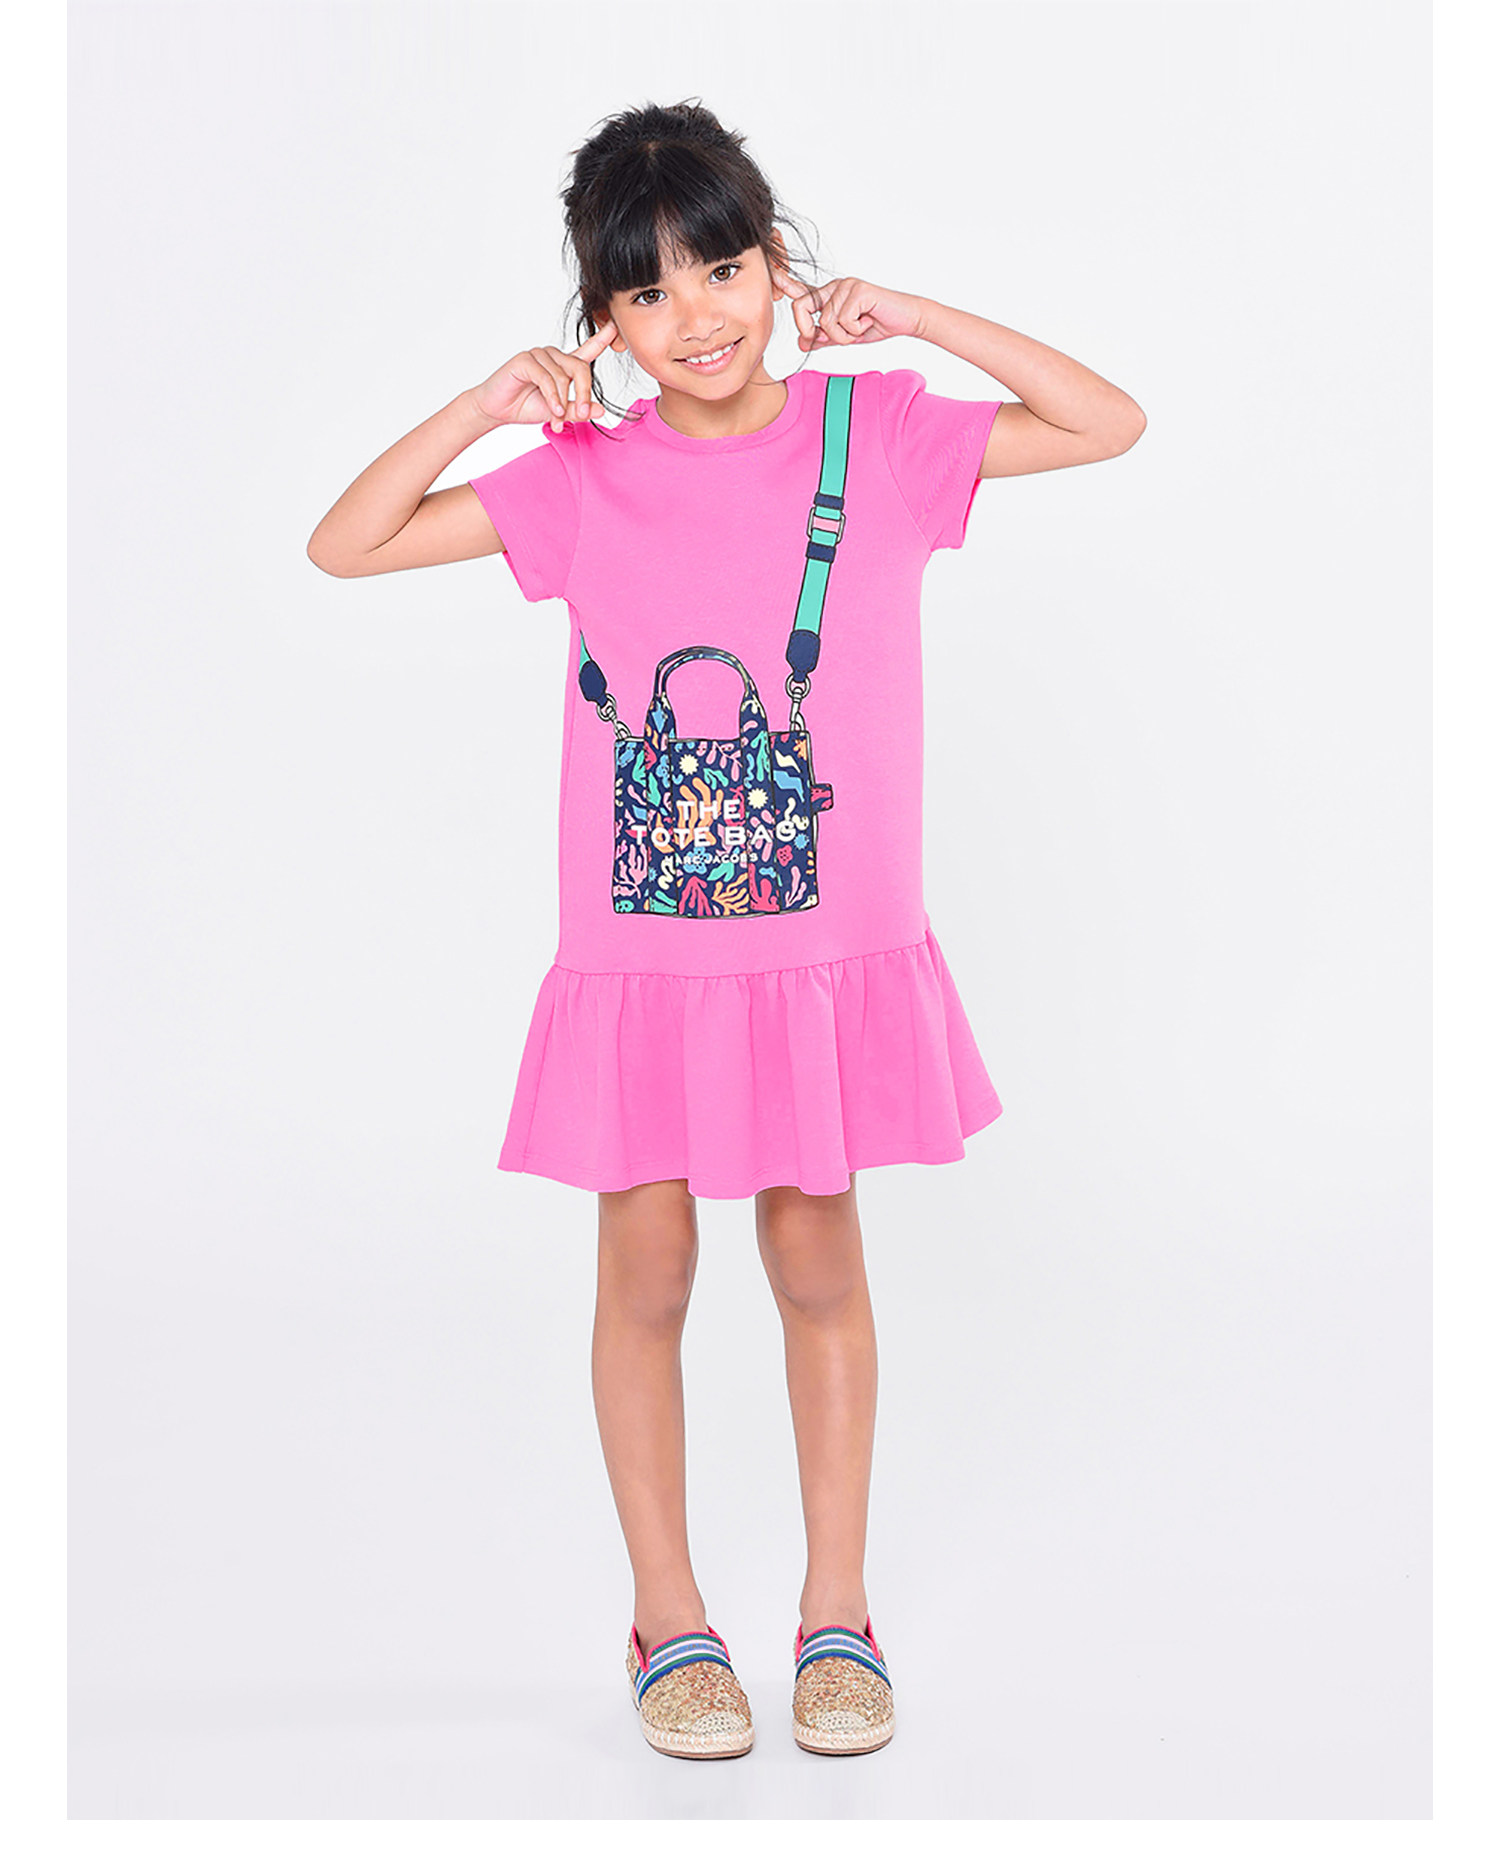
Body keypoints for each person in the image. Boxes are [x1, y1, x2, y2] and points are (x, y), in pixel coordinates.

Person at [307, 98, 1145, 1762]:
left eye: (723, 268)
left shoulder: (875, 437)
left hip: (820, 953)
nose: (695, 317)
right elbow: (347, 545)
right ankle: (668, 1616)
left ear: (777, 265)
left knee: (818, 1262)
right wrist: (482, 407)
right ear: (601, 321)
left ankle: (839, 1613)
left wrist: (910, 316)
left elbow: (1106, 420)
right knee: (649, 1269)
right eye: (646, 292)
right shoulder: (581, 479)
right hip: (649, 960)